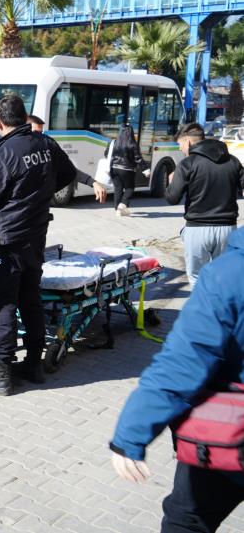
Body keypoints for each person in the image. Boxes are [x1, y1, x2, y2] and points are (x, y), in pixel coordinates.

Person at [110, 227, 244, 532]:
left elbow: (185, 362)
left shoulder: (230, 274)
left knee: (187, 520)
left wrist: (131, 433)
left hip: (228, 436)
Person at [0, 94, 76, 396]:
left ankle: (0, 371)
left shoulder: (2, 152)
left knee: (4, 302)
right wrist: (38, 195)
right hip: (35, 235)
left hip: (6, 238)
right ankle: (33, 363)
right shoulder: (45, 143)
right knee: (30, 298)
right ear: (24, 117)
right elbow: (69, 174)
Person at [164, 122, 244, 286]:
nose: (180, 149)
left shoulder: (188, 163)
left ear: (187, 142)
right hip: (228, 229)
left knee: (197, 280)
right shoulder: (233, 161)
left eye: (180, 144)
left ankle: (204, 310)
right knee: (224, 280)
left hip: (197, 229)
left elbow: (172, 197)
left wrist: (170, 182)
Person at [29, 114, 108, 203]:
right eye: (36, 132)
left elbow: (70, 170)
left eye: (41, 133)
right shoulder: (16, 148)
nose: (39, 137)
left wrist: (93, 183)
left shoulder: (48, 146)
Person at [110, 123, 147, 216]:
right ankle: (122, 205)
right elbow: (138, 158)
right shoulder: (132, 144)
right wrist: (145, 169)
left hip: (114, 168)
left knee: (118, 188)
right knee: (130, 188)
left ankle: (117, 209)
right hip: (127, 169)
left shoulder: (114, 142)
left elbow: (107, 153)